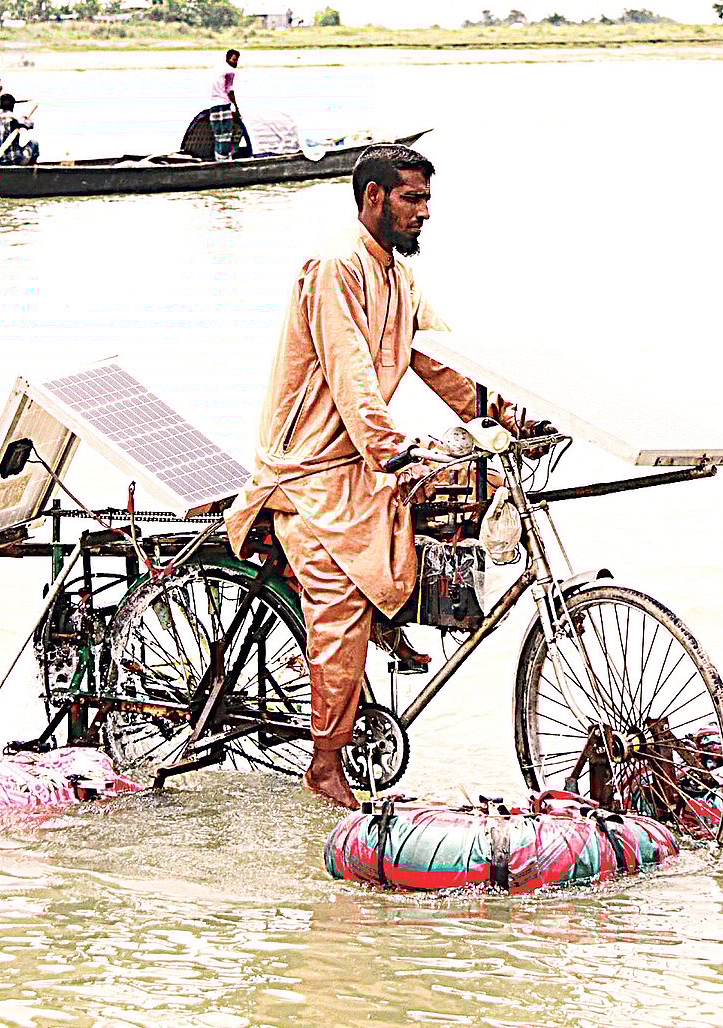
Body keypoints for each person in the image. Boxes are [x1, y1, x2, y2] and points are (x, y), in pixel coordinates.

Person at [224, 144, 536, 809]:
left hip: (357, 460)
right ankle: (325, 762)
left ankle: (390, 634)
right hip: (310, 467)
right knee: (338, 607)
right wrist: (391, 450)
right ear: (374, 199)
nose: (425, 213)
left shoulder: (398, 277)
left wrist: (506, 412)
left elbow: (440, 357)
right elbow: (350, 375)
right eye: (412, 199)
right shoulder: (336, 267)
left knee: (450, 508)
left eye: (427, 199)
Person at [209, 49, 241, 162]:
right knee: (226, 134)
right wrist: (236, 108)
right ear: (227, 59)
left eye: (237, 60)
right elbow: (229, 91)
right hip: (224, 105)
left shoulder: (217, 69)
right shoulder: (230, 71)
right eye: (234, 60)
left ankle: (218, 158)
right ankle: (225, 159)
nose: (235, 63)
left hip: (213, 106)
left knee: (218, 135)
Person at [0, 93, 39, 166]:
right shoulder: (14, 118)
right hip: (15, 160)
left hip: (0, 159)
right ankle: (30, 172)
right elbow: (30, 125)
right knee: (34, 143)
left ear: (0, 105)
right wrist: (25, 118)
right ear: (13, 105)